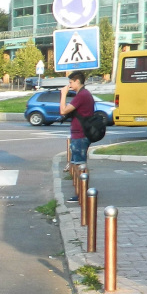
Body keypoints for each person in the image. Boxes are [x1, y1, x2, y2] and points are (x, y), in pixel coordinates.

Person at [59, 70, 95, 202]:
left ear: (77, 81)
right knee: (76, 164)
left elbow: (63, 110)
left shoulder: (82, 95)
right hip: (78, 134)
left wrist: (63, 95)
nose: (69, 85)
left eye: (71, 82)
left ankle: (83, 194)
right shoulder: (83, 94)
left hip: (81, 135)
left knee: (80, 165)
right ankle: (81, 192)